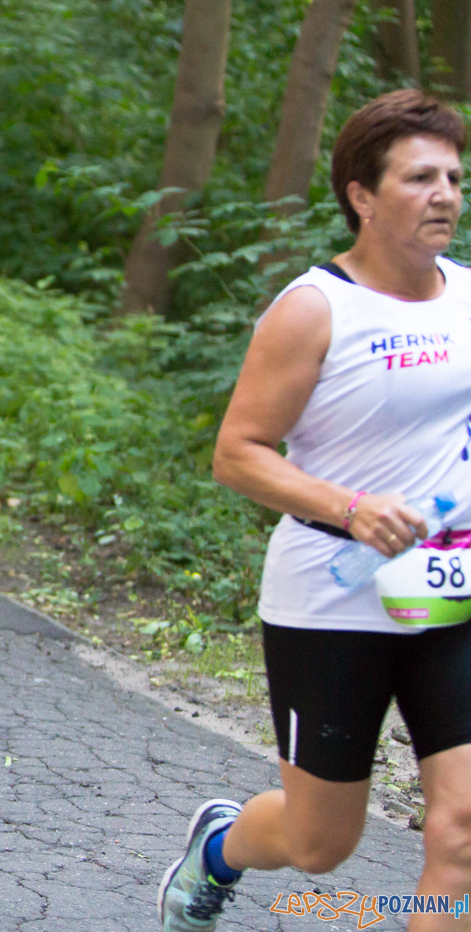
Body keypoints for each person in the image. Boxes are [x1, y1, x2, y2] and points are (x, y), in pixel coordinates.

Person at [160, 88, 471, 931]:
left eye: (453, 175)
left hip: (451, 590)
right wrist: (351, 506)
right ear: (362, 196)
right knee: (320, 841)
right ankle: (220, 848)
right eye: (420, 177)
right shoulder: (314, 308)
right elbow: (238, 453)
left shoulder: (470, 299)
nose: (445, 192)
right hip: (334, 600)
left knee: (463, 830)